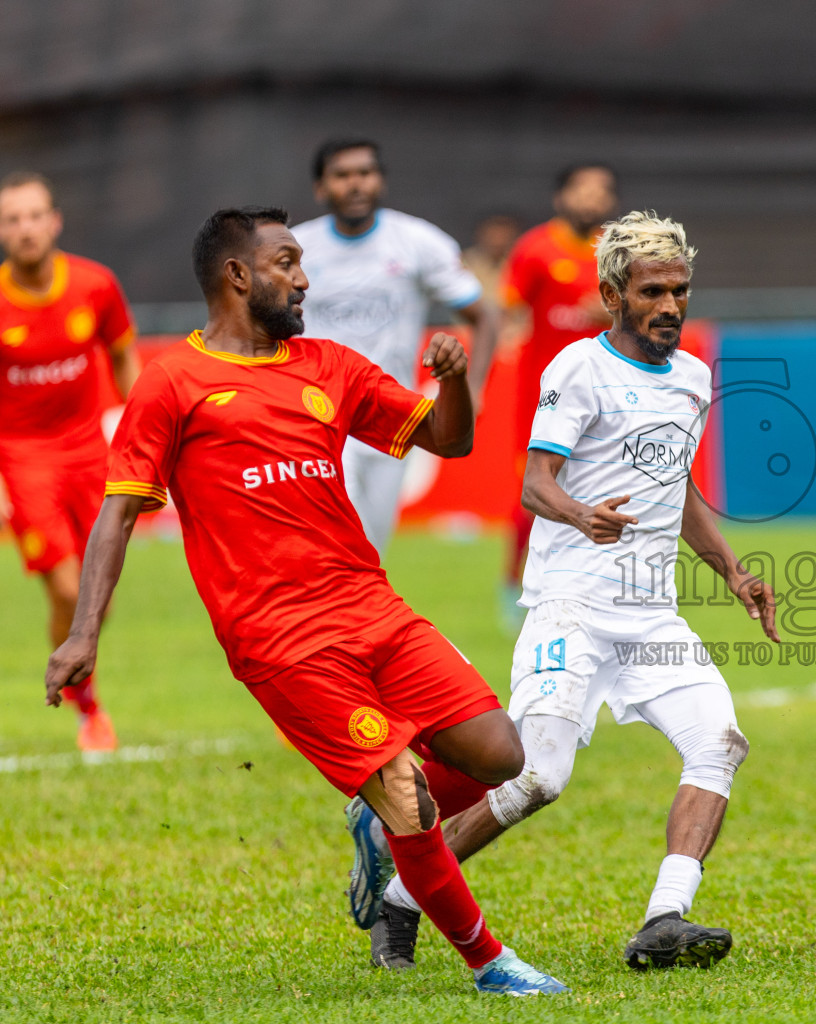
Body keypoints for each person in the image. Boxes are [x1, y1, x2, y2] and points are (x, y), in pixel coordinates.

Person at [44, 206, 565, 996]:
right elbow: (118, 511)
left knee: (501, 757)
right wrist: (85, 635)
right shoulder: (173, 383)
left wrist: (454, 381)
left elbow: (447, 441)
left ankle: (380, 826)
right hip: (279, 638)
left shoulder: (329, 365)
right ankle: (491, 963)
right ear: (238, 275)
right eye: (287, 262)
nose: (304, 277)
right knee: (407, 792)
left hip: (372, 606)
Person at [353, 211, 777, 973]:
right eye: (653, 290)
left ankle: (664, 918)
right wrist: (583, 514)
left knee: (719, 744)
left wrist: (733, 571)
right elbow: (534, 483)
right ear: (614, 294)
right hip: (572, 607)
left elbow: (674, 485)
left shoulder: (689, 376)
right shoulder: (577, 368)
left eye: (680, 289)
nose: (671, 305)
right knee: (537, 778)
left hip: (654, 617)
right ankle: (402, 897)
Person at [292, 138, 499, 557]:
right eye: (342, 175)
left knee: (371, 549)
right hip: (318, 412)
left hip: (391, 415)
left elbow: (487, 315)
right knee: (334, 537)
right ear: (320, 187)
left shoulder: (418, 242)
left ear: (380, 181)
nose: (355, 184)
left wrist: (474, 387)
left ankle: (349, 619)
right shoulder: (293, 249)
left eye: (365, 173)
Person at [0, 171, 140, 752]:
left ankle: (82, 689)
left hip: (91, 454)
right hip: (24, 459)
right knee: (65, 590)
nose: (25, 228)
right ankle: (90, 710)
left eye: (35, 216)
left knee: (94, 597)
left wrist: (141, 435)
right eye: (12, 219)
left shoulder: (95, 285)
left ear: (55, 221)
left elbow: (125, 358)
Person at [499, 164, 618, 629]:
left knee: (605, 492)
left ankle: (595, 591)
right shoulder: (535, 249)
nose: (591, 199)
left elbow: (647, 308)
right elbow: (508, 311)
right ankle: (513, 584)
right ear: (560, 197)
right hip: (543, 396)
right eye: (581, 190)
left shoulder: (618, 250)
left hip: (607, 396)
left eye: (600, 191)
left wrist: (613, 309)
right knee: (530, 495)